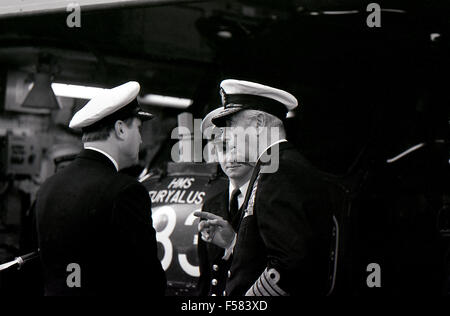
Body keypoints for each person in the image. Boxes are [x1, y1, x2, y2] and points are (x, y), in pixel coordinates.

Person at [195, 79, 335, 296]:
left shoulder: (280, 170)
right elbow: (261, 254)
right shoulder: (274, 166)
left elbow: (289, 265)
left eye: (232, 125)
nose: (228, 137)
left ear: (259, 123)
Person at [32, 81, 166, 296]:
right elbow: (147, 279)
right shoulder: (126, 191)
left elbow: (36, 264)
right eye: (138, 128)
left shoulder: (48, 187)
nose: (140, 139)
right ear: (120, 129)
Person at [196, 108, 255, 296]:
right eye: (222, 148)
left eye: (237, 147)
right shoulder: (211, 204)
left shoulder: (267, 201)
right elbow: (206, 277)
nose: (231, 157)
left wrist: (233, 243)